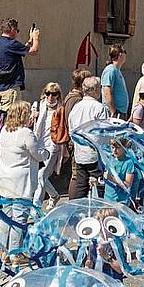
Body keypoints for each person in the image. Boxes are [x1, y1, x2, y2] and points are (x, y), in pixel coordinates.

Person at [0, 101, 50, 266]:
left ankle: (3, 252)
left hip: (4, 179)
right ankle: (15, 254)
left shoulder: (5, 130)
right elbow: (38, 154)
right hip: (21, 183)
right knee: (19, 219)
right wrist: (46, 152)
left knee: (6, 218)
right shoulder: (26, 133)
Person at [68, 76, 109, 200]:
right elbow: (103, 132)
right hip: (95, 154)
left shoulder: (76, 107)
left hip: (80, 152)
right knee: (101, 185)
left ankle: (77, 212)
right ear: (96, 89)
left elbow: (71, 130)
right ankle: (102, 212)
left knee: (81, 185)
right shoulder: (99, 107)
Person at [0, 18, 41, 110]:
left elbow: (20, 51)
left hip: (1, 87)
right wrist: (36, 38)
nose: (17, 33)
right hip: (10, 88)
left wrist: (30, 41)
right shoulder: (11, 44)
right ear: (12, 30)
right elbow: (34, 51)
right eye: (17, 30)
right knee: (11, 116)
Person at [31, 83, 64, 210]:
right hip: (37, 144)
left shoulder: (61, 109)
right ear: (44, 93)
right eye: (48, 93)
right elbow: (29, 124)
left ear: (58, 95)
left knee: (41, 176)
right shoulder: (38, 105)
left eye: (54, 94)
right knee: (40, 176)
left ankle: (36, 208)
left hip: (52, 145)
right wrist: (33, 116)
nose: (51, 97)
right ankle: (54, 195)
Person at [60, 69, 92, 199]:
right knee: (76, 175)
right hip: (75, 141)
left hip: (72, 140)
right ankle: (74, 203)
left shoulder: (69, 97)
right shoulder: (76, 100)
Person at [102, 138, 138, 207]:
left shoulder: (128, 162)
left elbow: (127, 184)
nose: (114, 150)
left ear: (124, 147)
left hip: (121, 200)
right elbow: (105, 176)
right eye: (112, 147)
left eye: (117, 147)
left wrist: (111, 178)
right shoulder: (110, 158)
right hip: (108, 197)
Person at [100, 44, 129, 119]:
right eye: (124, 52)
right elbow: (107, 92)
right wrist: (113, 111)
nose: (125, 54)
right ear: (120, 54)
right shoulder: (110, 70)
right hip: (115, 112)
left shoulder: (116, 70)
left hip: (120, 111)